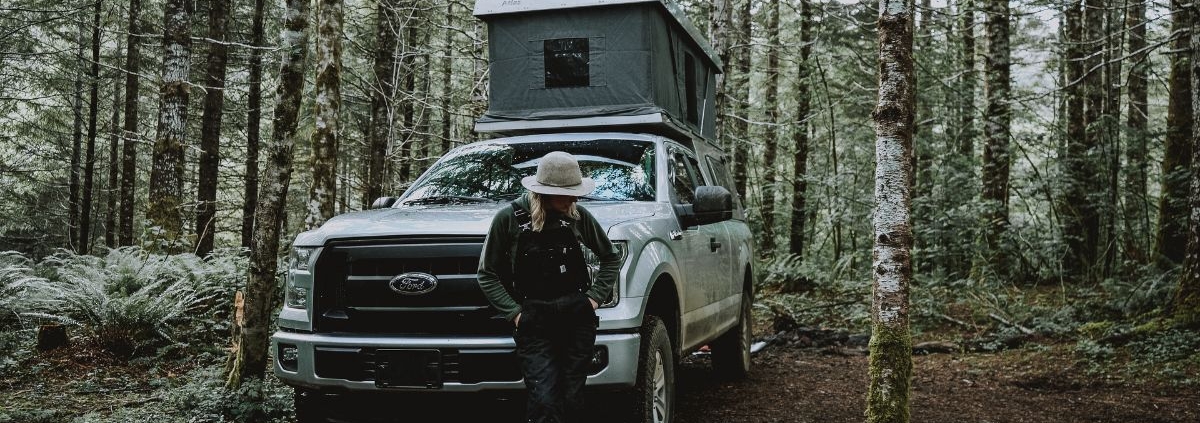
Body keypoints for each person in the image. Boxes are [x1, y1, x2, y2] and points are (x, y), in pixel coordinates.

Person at [477, 151, 622, 423]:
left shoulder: (577, 216)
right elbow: (487, 274)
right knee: (544, 400)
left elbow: (611, 256)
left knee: (572, 399)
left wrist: (594, 298)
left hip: (577, 319)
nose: (574, 199)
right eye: (568, 193)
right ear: (543, 192)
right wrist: (516, 313)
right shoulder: (508, 220)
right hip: (534, 322)